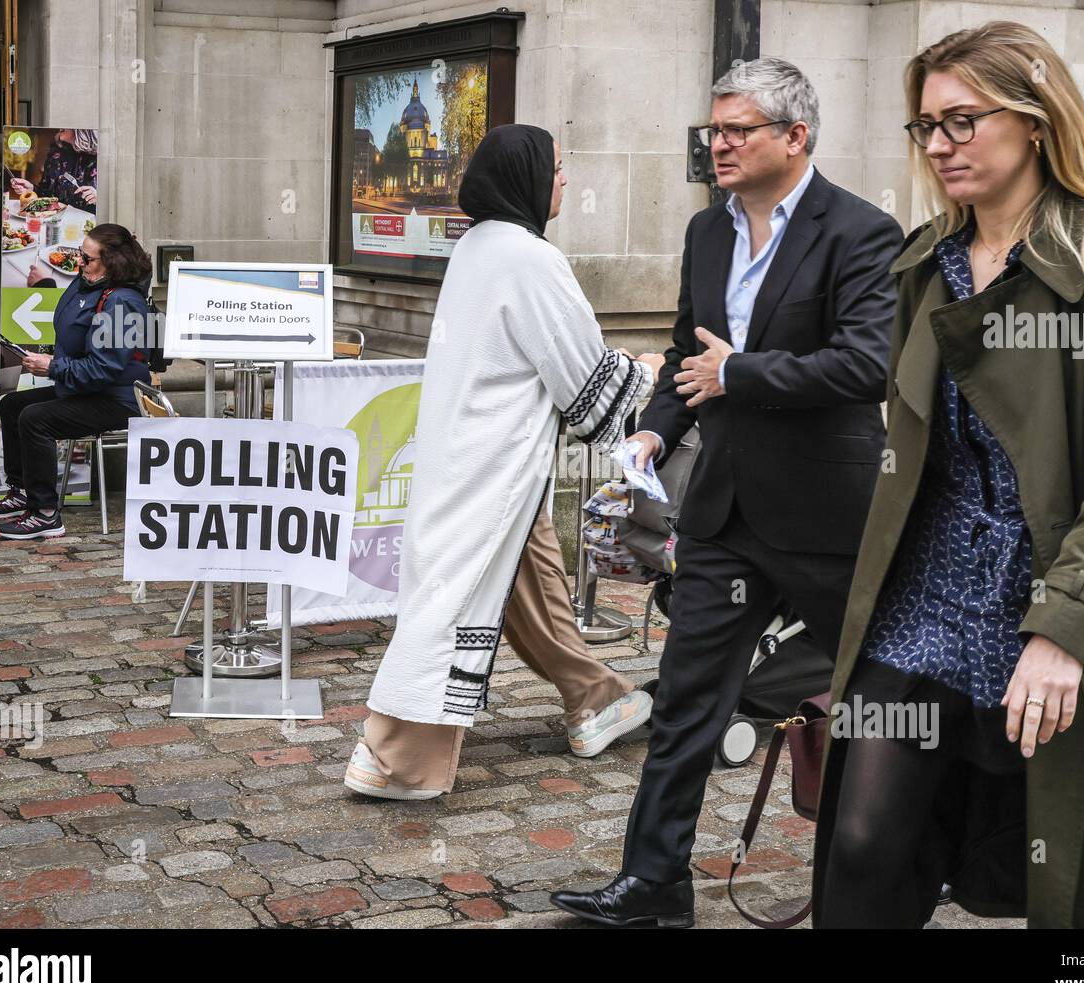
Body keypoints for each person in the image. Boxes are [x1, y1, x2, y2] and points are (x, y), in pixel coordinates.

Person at [807, 21, 1084, 928]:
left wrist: (1064, 631)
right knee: (861, 847)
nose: (937, 145)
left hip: (1067, 583)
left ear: (1036, 119)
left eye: (962, 120)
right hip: (926, 595)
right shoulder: (926, 261)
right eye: (925, 126)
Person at [552, 57, 904, 928]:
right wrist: (652, 431)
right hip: (722, 514)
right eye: (712, 132)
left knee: (879, 705)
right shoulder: (708, 233)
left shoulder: (862, 231)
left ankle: (887, 876)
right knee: (684, 701)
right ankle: (654, 886)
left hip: (829, 516)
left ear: (797, 136)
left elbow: (869, 363)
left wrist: (739, 373)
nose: (719, 146)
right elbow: (684, 354)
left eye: (737, 131)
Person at [344, 124, 661, 801]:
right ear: (526, 179)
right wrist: (647, 370)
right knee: (453, 598)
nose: (566, 179)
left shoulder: (478, 247)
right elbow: (582, 384)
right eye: (556, 167)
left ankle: (594, 697)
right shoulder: (528, 258)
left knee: (521, 577)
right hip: (492, 470)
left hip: (474, 459)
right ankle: (395, 757)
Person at [0, 224, 152, 539]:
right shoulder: (88, 283)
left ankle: (45, 514)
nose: (79, 264)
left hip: (118, 399)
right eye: (80, 257)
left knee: (36, 418)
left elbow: (105, 369)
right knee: (12, 404)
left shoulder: (124, 303)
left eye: (87, 259)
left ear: (111, 262)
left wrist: (55, 367)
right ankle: (22, 491)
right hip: (88, 389)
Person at [8, 129, 98, 213]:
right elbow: (46, 192)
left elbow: (109, 205)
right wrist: (31, 189)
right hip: (54, 219)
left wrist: (98, 197)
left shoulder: (101, 158)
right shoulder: (56, 152)